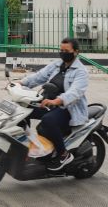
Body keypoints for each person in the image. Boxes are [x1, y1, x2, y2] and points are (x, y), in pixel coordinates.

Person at [17, 37, 89, 171]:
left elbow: (74, 93)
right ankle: (30, 146)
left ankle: (64, 154)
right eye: (61, 50)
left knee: (48, 120)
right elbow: (39, 76)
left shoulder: (81, 72)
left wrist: (56, 101)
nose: (63, 53)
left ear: (76, 52)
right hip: (49, 103)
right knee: (21, 110)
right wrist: (20, 83)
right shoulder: (56, 65)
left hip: (68, 109)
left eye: (66, 50)